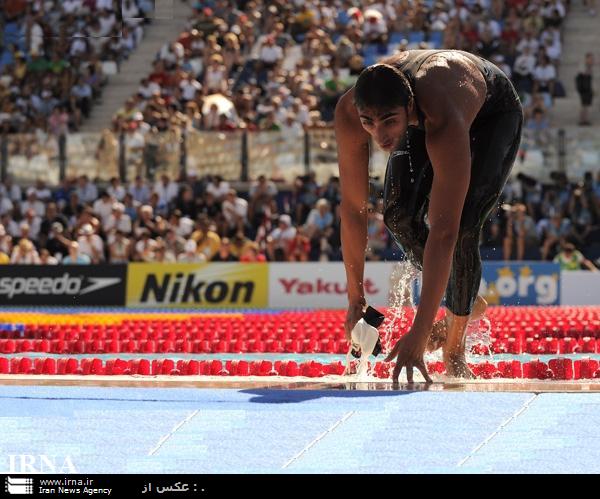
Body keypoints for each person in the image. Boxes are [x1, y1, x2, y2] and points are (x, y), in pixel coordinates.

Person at [334, 49, 523, 380]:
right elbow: (353, 209)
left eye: (389, 122)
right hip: (420, 111)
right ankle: (461, 295)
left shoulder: (440, 112)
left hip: (492, 113)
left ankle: (454, 346)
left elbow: (445, 229)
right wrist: (355, 300)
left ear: (408, 109)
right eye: (369, 124)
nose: (379, 136)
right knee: (397, 215)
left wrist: (419, 334)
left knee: (464, 226)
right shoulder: (350, 112)